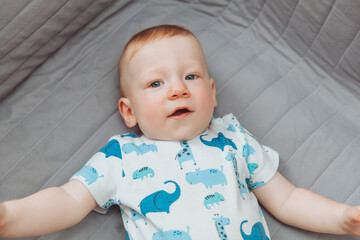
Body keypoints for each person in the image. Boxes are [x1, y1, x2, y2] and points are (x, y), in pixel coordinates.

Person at [0, 24, 359, 239]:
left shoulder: (233, 139)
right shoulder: (121, 157)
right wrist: (10, 218)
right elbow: (68, 201)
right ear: (129, 111)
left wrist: (343, 219)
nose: (178, 89)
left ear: (213, 93)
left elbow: (287, 199)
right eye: (156, 83)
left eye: (190, 76)